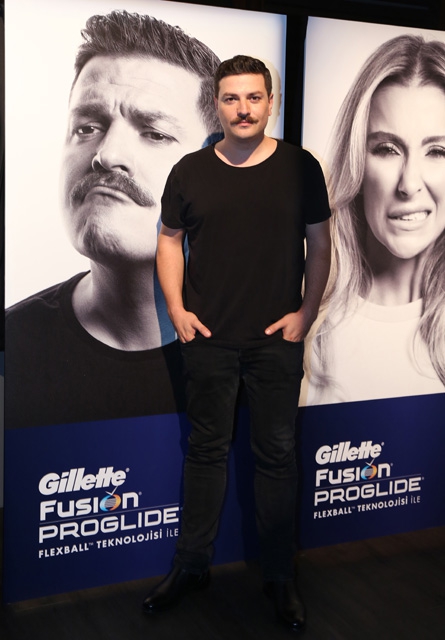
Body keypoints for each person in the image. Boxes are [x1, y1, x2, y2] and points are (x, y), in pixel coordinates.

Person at [143, 55, 331, 630]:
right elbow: (169, 240)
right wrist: (176, 309)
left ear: (270, 102)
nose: (243, 109)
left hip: (277, 343)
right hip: (209, 342)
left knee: (276, 458)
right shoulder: (190, 170)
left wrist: (306, 312)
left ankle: (279, 576)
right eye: (231, 98)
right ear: (216, 105)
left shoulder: (301, 167)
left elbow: (321, 245)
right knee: (205, 453)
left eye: (253, 97)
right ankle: (191, 565)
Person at [5, 10, 222, 429]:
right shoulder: (12, 350)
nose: (107, 155)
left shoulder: (273, 349)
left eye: (155, 133)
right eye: (87, 127)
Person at [304, 34, 445, 405]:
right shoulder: (307, 324)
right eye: (387, 149)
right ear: (357, 162)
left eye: (437, 151)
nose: (409, 184)